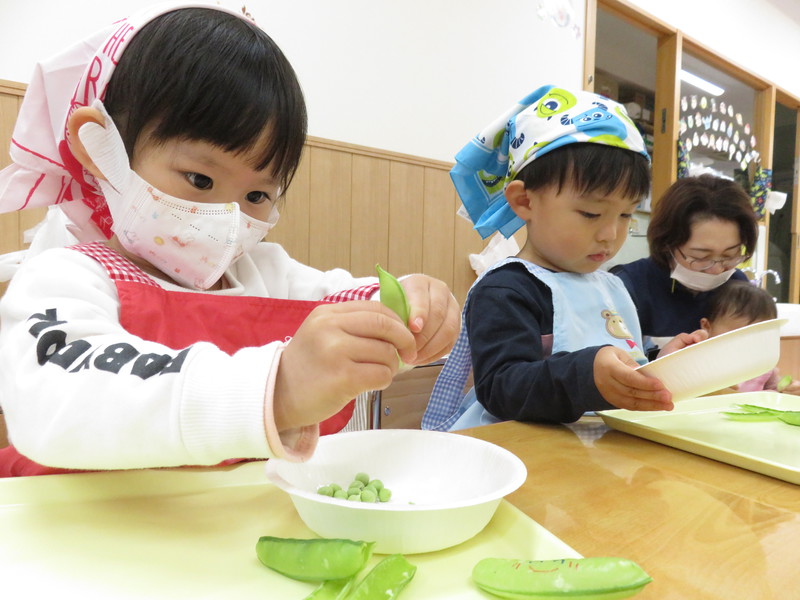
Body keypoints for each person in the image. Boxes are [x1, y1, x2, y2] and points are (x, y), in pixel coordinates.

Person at [0, 3, 459, 476]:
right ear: (101, 149)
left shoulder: (268, 273)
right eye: (200, 180)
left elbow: (351, 302)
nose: (227, 216)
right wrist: (276, 388)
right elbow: (58, 402)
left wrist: (415, 307)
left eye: (257, 194)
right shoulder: (63, 276)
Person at [421, 85, 704, 431]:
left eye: (626, 215)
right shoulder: (506, 289)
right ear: (525, 201)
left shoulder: (611, 286)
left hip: (595, 454)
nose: (610, 235)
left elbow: (628, 354)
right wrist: (587, 376)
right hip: (519, 456)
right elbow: (501, 389)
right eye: (590, 214)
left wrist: (662, 363)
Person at [611, 175, 758, 355]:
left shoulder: (737, 287)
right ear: (667, 245)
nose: (717, 269)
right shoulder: (627, 286)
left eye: (730, 255)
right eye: (701, 257)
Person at [700, 281, 799, 394]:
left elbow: (776, 389)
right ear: (707, 327)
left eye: (758, 337)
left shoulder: (763, 364)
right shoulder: (699, 362)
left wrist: (789, 390)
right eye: (737, 334)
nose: (746, 344)